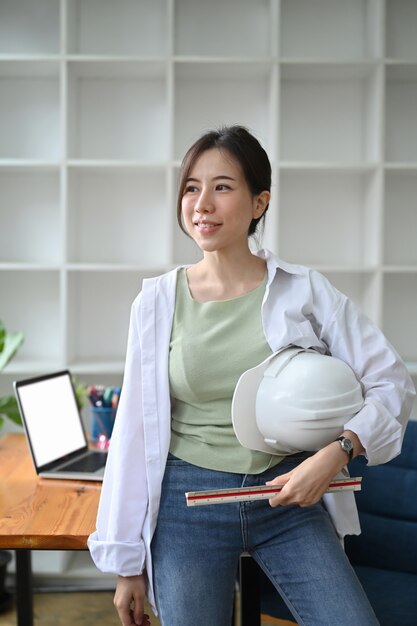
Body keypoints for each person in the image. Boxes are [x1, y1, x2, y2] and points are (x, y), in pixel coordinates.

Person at [88, 125, 415, 626]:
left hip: (288, 494)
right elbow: (133, 433)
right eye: (191, 188)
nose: (202, 204)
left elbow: (391, 382)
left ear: (259, 202)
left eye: (222, 187)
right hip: (187, 504)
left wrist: (337, 454)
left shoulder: (305, 290)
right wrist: (125, 565)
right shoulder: (156, 301)